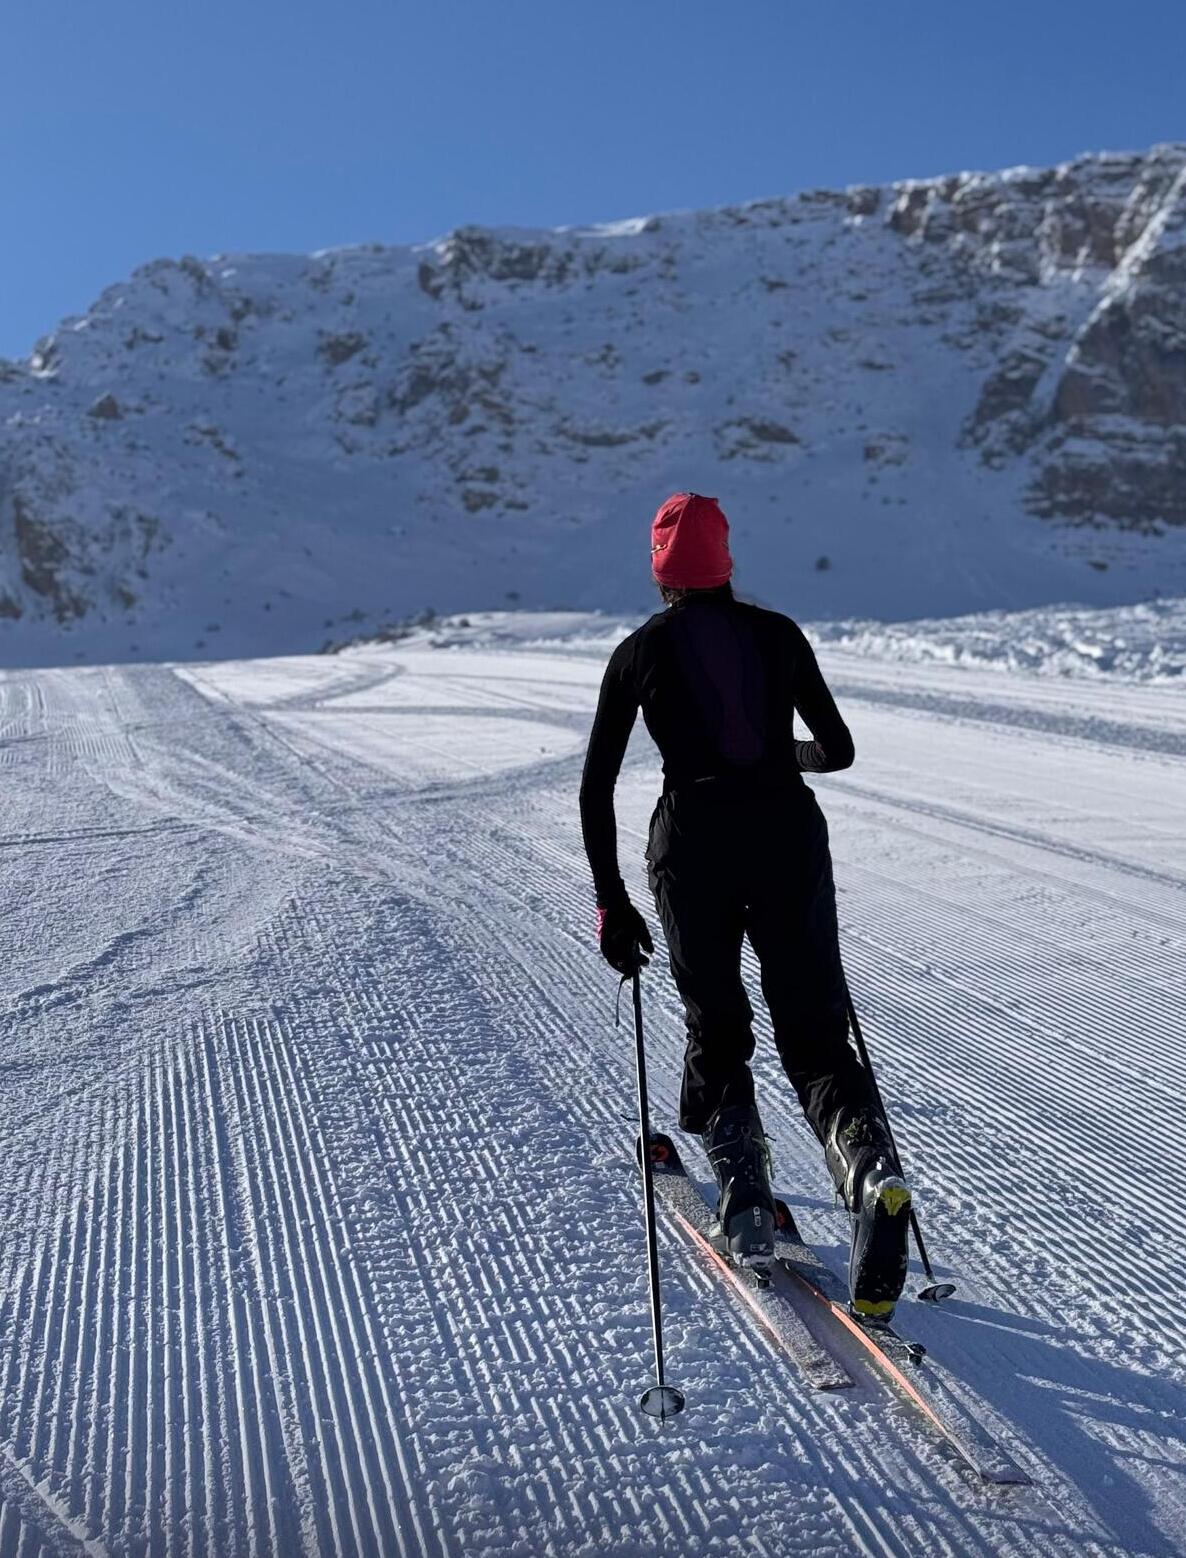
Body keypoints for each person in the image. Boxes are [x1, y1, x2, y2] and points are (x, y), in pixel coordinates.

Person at [579, 492, 912, 1318]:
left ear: (662, 569)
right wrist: (777, 754)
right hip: (786, 839)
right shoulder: (780, 635)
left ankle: (747, 1201)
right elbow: (835, 750)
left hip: (694, 849)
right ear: (725, 560)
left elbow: (595, 789)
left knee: (717, 1022)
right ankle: (871, 1172)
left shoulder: (640, 653)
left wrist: (612, 904)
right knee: (815, 1032)